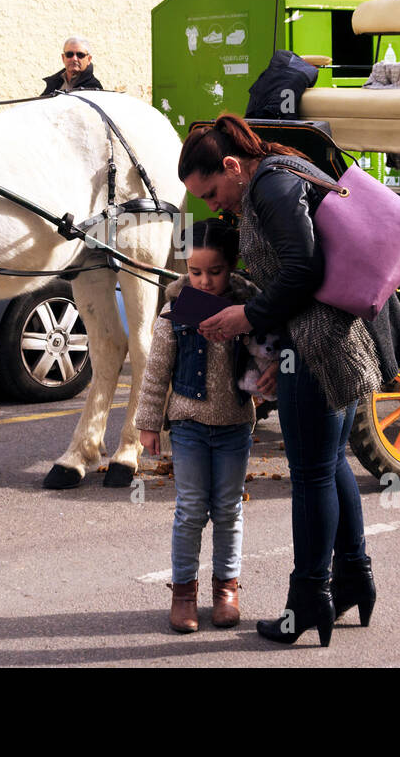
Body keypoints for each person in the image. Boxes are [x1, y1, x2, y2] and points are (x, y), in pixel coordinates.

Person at [179, 114, 400, 647]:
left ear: (232, 166)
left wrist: (247, 318)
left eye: (212, 191)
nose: (212, 205)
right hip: (327, 341)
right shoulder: (279, 174)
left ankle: (308, 600)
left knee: (311, 474)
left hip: (322, 348)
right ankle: (354, 578)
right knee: (330, 463)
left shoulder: (274, 185)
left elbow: (302, 270)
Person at [135, 219, 262, 633]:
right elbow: (156, 373)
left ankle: (226, 589)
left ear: (233, 267)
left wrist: (255, 349)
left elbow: (268, 362)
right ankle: (184, 593)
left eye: (215, 271)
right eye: (195, 272)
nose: (204, 281)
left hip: (234, 427)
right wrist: (149, 423)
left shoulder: (251, 310)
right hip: (188, 426)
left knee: (228, 510)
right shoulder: (174, 312)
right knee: (190, 511)